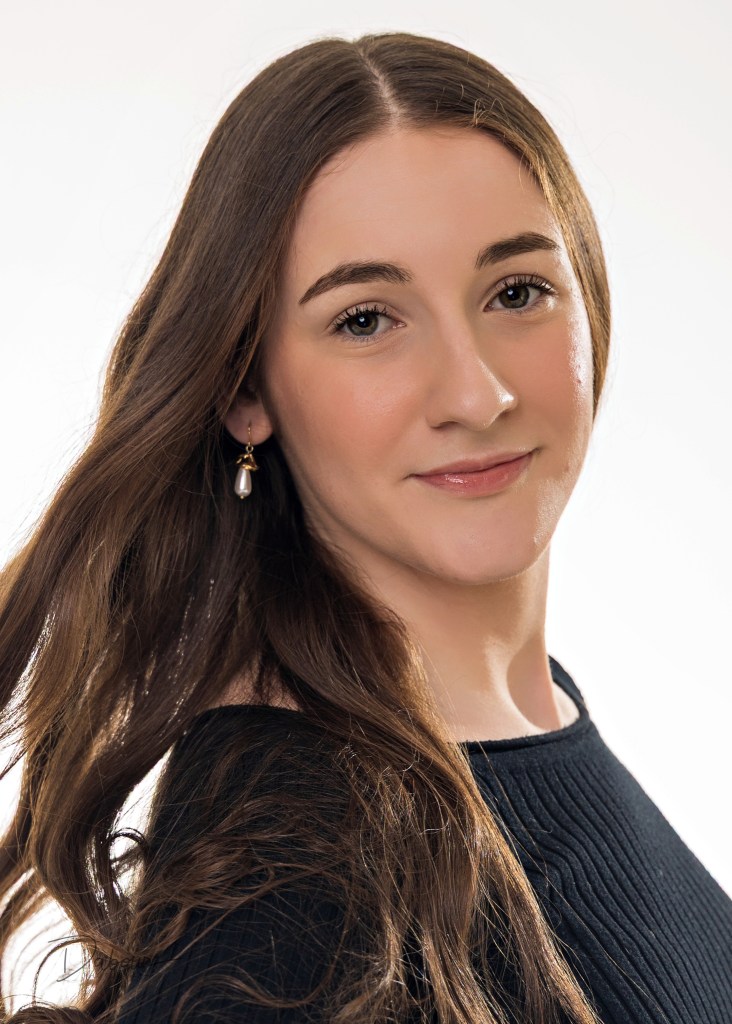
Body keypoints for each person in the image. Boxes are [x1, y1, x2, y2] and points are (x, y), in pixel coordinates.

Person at [0, 30, 729, 1024]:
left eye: (517, 292)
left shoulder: (532, 727)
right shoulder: (286, 903)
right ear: (244, 390)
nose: (477, 392)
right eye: (365, 320)